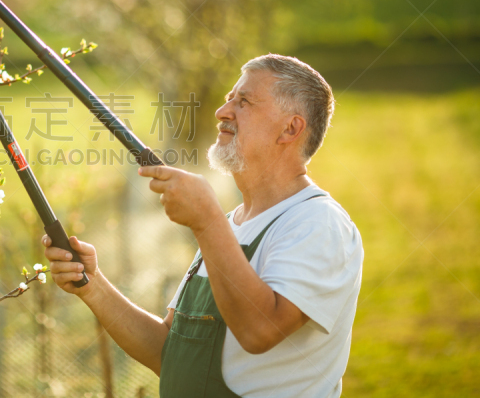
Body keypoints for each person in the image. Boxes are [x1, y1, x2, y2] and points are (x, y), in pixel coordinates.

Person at [42, 54, 364, 397]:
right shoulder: (229, 225)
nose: (222, 112)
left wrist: (207, 222)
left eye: (244, 102)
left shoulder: (317, 223)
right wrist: (94, 286)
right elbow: (168, 352)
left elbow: (260, 332)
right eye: (228, 100)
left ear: (291, 128)